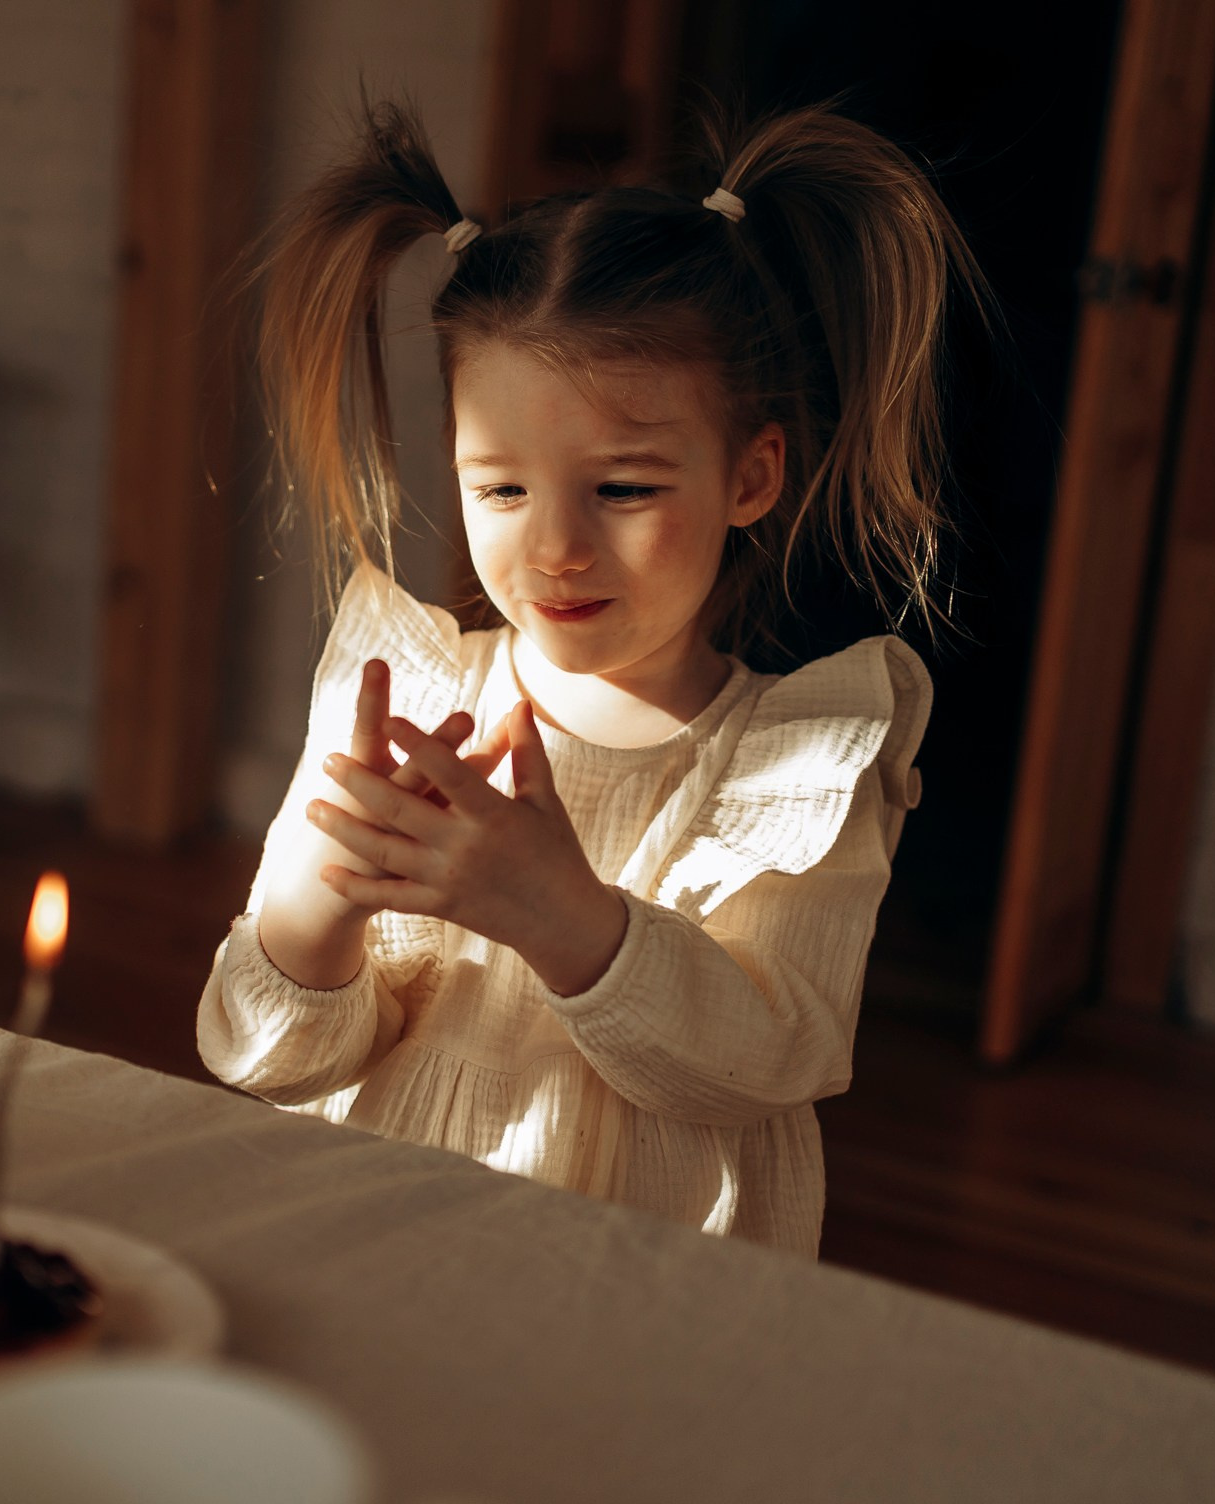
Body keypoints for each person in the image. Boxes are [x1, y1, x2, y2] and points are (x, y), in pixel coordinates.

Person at [197, 103, 976, 1254]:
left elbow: (770, 1062)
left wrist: (561, 917)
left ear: (750, 476)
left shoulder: (802, 760)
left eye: (623, 489)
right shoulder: (403, 699)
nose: (555, 549)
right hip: (390, 1247)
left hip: (640, 1295)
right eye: (501, 490)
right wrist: (320, 896)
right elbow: (267, 1051)